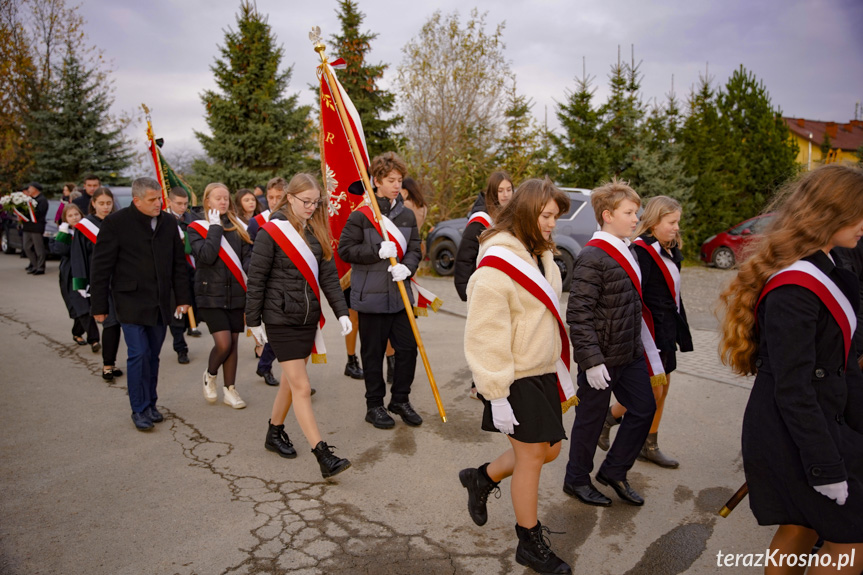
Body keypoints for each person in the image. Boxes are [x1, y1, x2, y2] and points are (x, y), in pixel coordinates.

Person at [718, 165, 863, 573]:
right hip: (793, 434)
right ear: (829, 213)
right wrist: (826, 465)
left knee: (800, 528)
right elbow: (794, 388)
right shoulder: (795, 287)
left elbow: (842, 366)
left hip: (815, 426)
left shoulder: (829, 267)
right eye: (858, 214)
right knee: (851, 540)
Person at [459, 178, 574, 575]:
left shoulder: (539, 253)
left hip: (541, 370)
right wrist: (496, 393)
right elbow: (484, 336)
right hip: (513, 377)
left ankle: (481, 478)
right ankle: (529, 542)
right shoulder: (496, 266)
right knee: (531, 459)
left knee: (549, 450)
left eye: (555, 217)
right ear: (526, 213)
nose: (552, 224)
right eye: (546, 216)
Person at [246, 173, 352, 478]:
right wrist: (253, 321)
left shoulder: (316, 230)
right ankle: (323, 455)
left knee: (291, 383)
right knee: (302, 387)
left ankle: (274, 432)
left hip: (306, 319)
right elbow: (257, 279)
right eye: (305, 201)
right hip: (279, 319)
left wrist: (342, 313)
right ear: (289, 197)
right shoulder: (271, 233)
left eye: (315, 202)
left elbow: (329, 277)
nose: (310, 207)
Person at [562, 178, 660, 508]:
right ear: (607, 215)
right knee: (590, 420)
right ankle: (576, 480)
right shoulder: (593, 256)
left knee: (645, 407)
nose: (636, 219)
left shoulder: (627, 248)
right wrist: (590, 361)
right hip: (601, 359)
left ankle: (614, 471)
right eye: (630, 212)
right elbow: (578, 313)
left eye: (636, 212)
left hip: (629, 353)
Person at [598, 196, 693, 468]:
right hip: (649, 332)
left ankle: (649, 445)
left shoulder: (671, 250)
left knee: (664, 388)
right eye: (671, 222)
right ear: (654, 222)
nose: (677, 227)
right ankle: (610, 416)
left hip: (667, 329)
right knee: (653, 392)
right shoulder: (642, 251)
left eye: (678, 222)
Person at [89, 177, 190, 431]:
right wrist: (99, 307)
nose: (158, 204)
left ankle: (151, 404)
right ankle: (138, 408)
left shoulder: (168, 222)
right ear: (137, 201)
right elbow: (100, 268)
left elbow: (179, 264)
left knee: (153, 356)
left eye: (160, 199)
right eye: (152, 200)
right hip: (130, 301)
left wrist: (183, 298)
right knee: (138, 354)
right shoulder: (115, 223)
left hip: (160, 303)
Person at [338, 152, 423, 429]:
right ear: (376, 181)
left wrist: (408, 268)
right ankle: (374, 405)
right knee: (373, 355)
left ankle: (400, 399)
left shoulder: (407, 215)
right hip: (370, 298)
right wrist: (376, 251)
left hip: (400, 298)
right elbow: (346, 250)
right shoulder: (361, 215)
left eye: (399, 180)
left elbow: (414, 249)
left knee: (408, 350)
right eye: (391, 180)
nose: (397, 185)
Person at [189, 183, 252, 409]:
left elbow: (246, 258)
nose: (223, 202)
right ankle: (210, 374)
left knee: (234, 343)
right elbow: (206, 255)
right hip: (210, 294)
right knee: (223, 344)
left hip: (236, 294)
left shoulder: (238, 226)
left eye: (226, 198)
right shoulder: (196, 227)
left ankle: (230, 390)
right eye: (218, 198)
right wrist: (214, 228)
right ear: (207, 201)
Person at [455, 170, 515, 398]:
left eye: (509, 189)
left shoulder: (511, 214)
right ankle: (478, 384)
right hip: (482, 287)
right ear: (492, 192)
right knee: (483, 336)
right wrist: (465, 290)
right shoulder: (481, 219)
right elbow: (464, 256)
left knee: (499, 336)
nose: (506, 195)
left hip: (503, 286)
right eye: (500, 190)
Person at [71, 187, 124, 379]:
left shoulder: (118, 222)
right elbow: (78, 257)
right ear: (93, 204)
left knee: (120, 323)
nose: (105, 207)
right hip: (99, 282)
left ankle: (113, 362)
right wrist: (81, 286)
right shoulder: (85, 226)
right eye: (101, 203)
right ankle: (107, 366)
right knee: (110, 323)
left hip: (120, 280)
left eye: (108, 203)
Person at [247, 177, 288, 387]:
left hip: (287, 286)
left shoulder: (293, 220)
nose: (273, 201)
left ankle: (267, 367)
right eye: (270, 197)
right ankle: (269, 367)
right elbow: (248, 255)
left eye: (278, 197)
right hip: (266, 285)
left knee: (283, 331)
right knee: (275, 330)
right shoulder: (257, 222)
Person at [50, 203, 99, 346]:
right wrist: (63, 232)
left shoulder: (87, 231)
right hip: (72, 275)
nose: (74, 218)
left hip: (87, 271)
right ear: (65, 218)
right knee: (81, 305)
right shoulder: (65, 233)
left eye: (76, 214)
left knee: (85, 305)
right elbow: (59, 251)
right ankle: (94, 339)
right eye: (70, 216)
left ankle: (77, 332)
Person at [166, 187, 200, 364]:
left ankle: (192, 326)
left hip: (193, 268)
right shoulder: (163, 221)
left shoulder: (192, 219)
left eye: (185, 203)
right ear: (169, 202)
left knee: (194, 303)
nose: (182, 207)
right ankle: (180, 347)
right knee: (176, 310)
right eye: (178, 203)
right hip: (173, 272)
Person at [22, 182, 49, 275]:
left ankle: (40, 267)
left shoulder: (42, 200)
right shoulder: (30, 199)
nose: (28, 189)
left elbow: (40, 213)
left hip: (36, 227)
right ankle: (34, 265)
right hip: (28, 226)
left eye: (30, 187)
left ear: (35, 189)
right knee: (27, 247)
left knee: (39, 248)